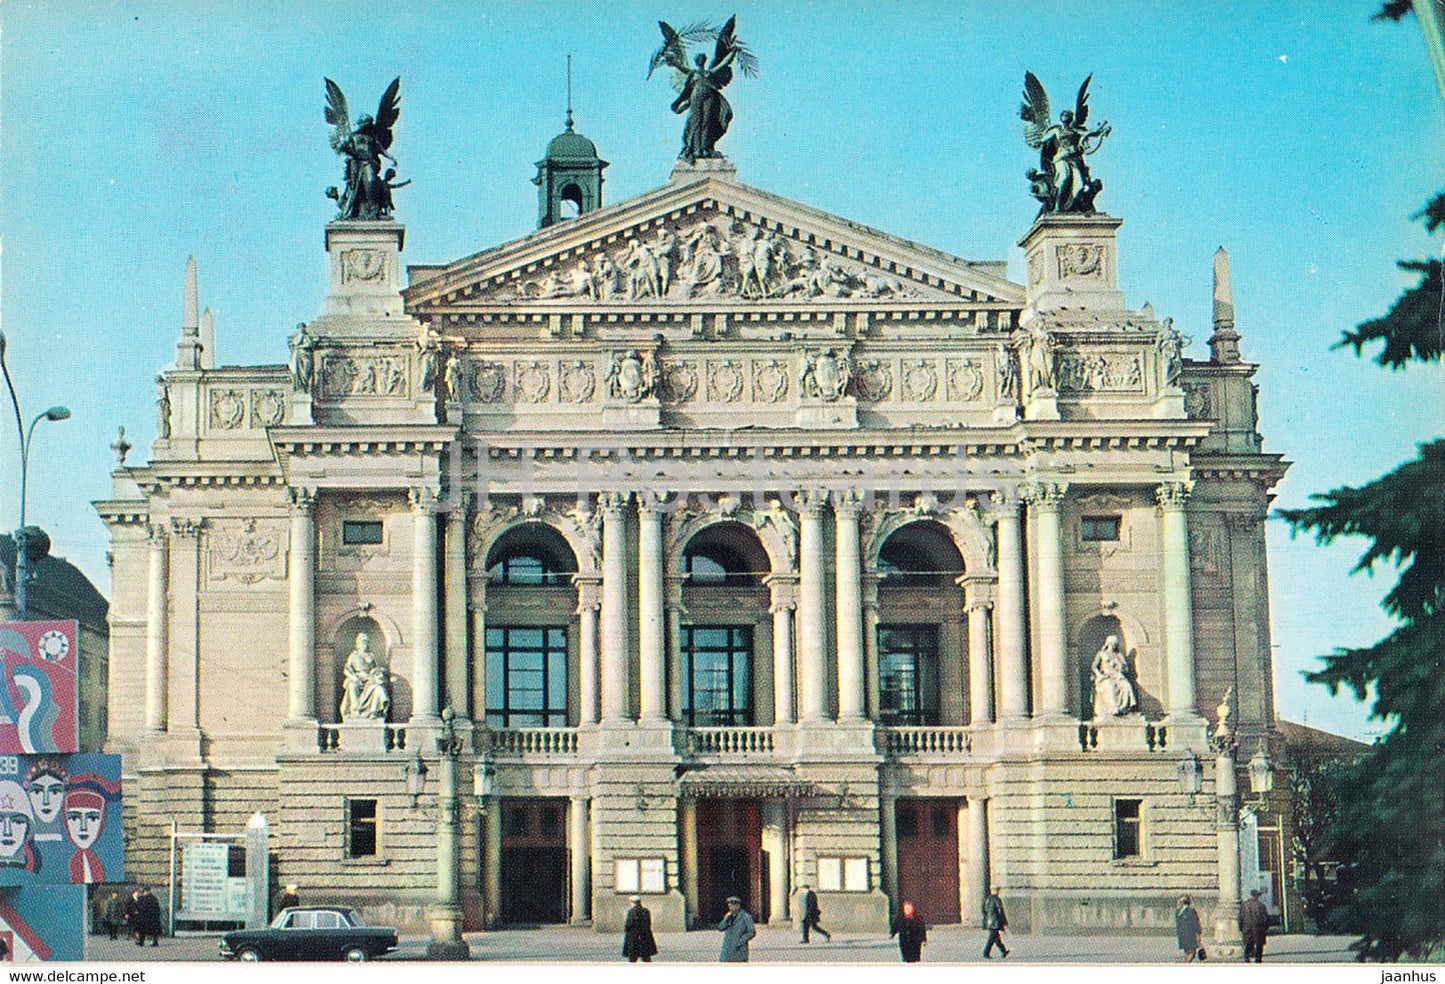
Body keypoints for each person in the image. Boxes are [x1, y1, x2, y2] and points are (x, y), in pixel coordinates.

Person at [338, 632, 390, 720]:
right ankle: (355, 710)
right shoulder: (354, 655)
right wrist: (353, 677)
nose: (364, 644)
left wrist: (377, 674)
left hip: (370, 679)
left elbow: (375, 669)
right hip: (357, 678)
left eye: (366, 641)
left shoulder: (371, 655)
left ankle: (374, 711)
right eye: (362, 641)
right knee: (352, 685)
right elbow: (346, 669)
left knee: (378, 688)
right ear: (358, 644)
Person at [1091, 635, 1138, 718]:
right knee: (1110, 686)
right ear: (1108, 644)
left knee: (1126, 685)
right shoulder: (1102, 654)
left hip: (1118, 676)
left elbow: (1125, 669)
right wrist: (1100, 675)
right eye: (1112, 643)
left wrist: (1119, 665)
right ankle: (1113, 708)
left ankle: (1124, 709)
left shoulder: (1119, 655)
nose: (1113, 646)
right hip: (1106, 677)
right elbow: (1094, 667)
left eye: (1115, 644)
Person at [717, 896, 755, 962]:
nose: (730, 908)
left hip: (739, 949)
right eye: (729, 906)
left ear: (737, 906)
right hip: (727, 949)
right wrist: (726, 920)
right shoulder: (729, 916)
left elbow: (752, 932)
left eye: (731, 906)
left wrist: (740, 941)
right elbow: (720, 928)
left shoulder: (746, 917)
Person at [622, 896, 658, 963]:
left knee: (633, 957)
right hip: (645, 936)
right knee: (646, 957)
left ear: (632, 902)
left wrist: (626, 929)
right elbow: (648, 923)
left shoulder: (632, 911)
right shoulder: (646, 911)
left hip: (633, 936)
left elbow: (629, 924)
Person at [1239, 888, 1270, 963]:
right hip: (1258, 928)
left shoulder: (1244, 905)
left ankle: (1247, 958)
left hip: (1247, 928)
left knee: (1248, 944)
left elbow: (1240, 918)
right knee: (1259, 945)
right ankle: (1258, 959)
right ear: (1257, 896)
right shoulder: (1261, 906)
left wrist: (1241, 928)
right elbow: (1266, 918)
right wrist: (1265, 928)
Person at [982, 887, 1009, 959]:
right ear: (997, 891)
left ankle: (1003, 951)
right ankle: (986, 952)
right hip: (995, 921)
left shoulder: (987, 899)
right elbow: (1000, 911)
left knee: (996, 938)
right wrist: (1004, 922)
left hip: (989, 921)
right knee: (992, 938)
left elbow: (983, 910)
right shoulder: (997, 899)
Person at [1175, 895, 1203, 961]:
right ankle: (1187, 960)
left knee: (1191, 950)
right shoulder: (1179, 911)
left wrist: (1198, 932)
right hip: (1183, 934)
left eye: (1180, 902)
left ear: (1183, 902)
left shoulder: (1190, 911)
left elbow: (1195, 922)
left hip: (1189, 934)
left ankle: (1188, 961)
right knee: (1187, 950)